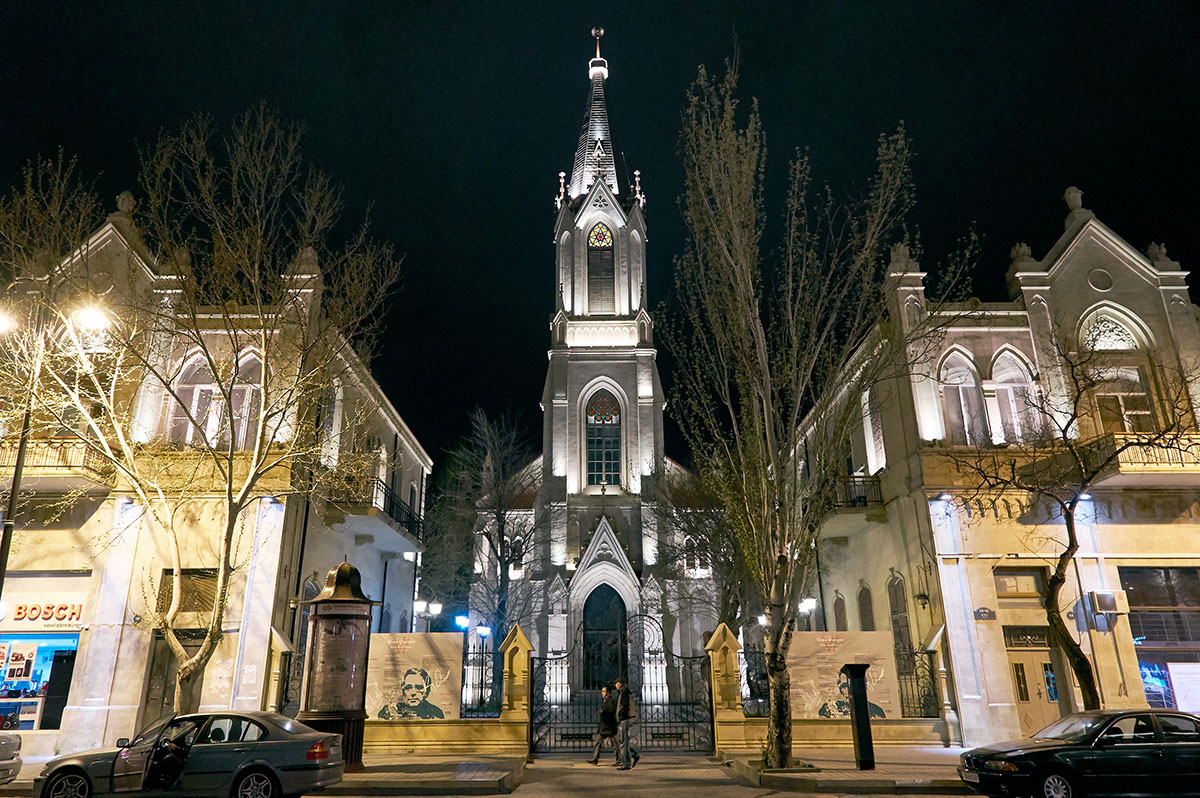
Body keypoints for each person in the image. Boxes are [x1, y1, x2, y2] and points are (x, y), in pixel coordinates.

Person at [378, 667, 445, 719]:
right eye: (408, 687)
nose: (413, 692)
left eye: (419, 687)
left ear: (426, 692)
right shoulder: (389, 711)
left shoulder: (435, 712)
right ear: (403, 691)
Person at [587, 685, 619, 765]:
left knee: (615, 745)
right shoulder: (606, 699)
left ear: (608, 692)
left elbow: (612, 711)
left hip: (609, 725)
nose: (602, 693)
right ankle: (595, 759)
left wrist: (603, 712)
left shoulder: (611, 699)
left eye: (604, 691)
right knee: (598, 742)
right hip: (604, 726)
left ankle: (620, 760)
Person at [614, 677, 640, 770]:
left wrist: (621, 716)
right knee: (625, 741)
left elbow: (624, 706)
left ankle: (626, 764)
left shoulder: (624, 692)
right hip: (627, 718)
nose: (615, 685)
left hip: (625, 719)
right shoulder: (624, 691)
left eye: (616, 683)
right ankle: (634, 755)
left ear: (620, 683)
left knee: (623, 742)